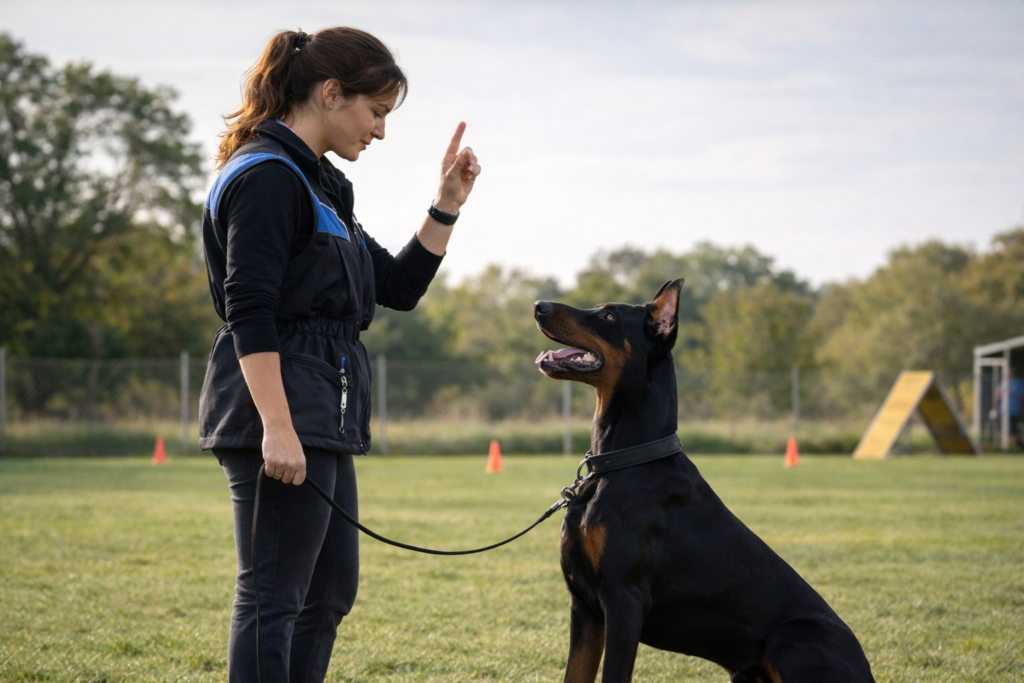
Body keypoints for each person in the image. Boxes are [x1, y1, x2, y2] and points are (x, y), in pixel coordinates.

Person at [197, 27, 480, 681]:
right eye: (375, 111)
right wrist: (276, 426)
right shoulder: (267, 177)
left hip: (321, 410)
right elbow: (249, 309)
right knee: (274, 600)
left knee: (326, 594)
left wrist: (446, 205)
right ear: (331, 94)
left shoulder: (323, 186)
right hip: (279, 409)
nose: (379, 130)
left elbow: (398, 287)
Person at [993, 366, 1023, 448]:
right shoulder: (1002, 383)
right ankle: (1004, 445)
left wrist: (1021, 409)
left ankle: (1017, 445)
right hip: (1003, 410)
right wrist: (995, 409)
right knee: (1001, 429)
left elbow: (1021, 397)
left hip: (1014, 410)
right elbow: (997, 396)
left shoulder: (1018, 383)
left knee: (1014, 429)